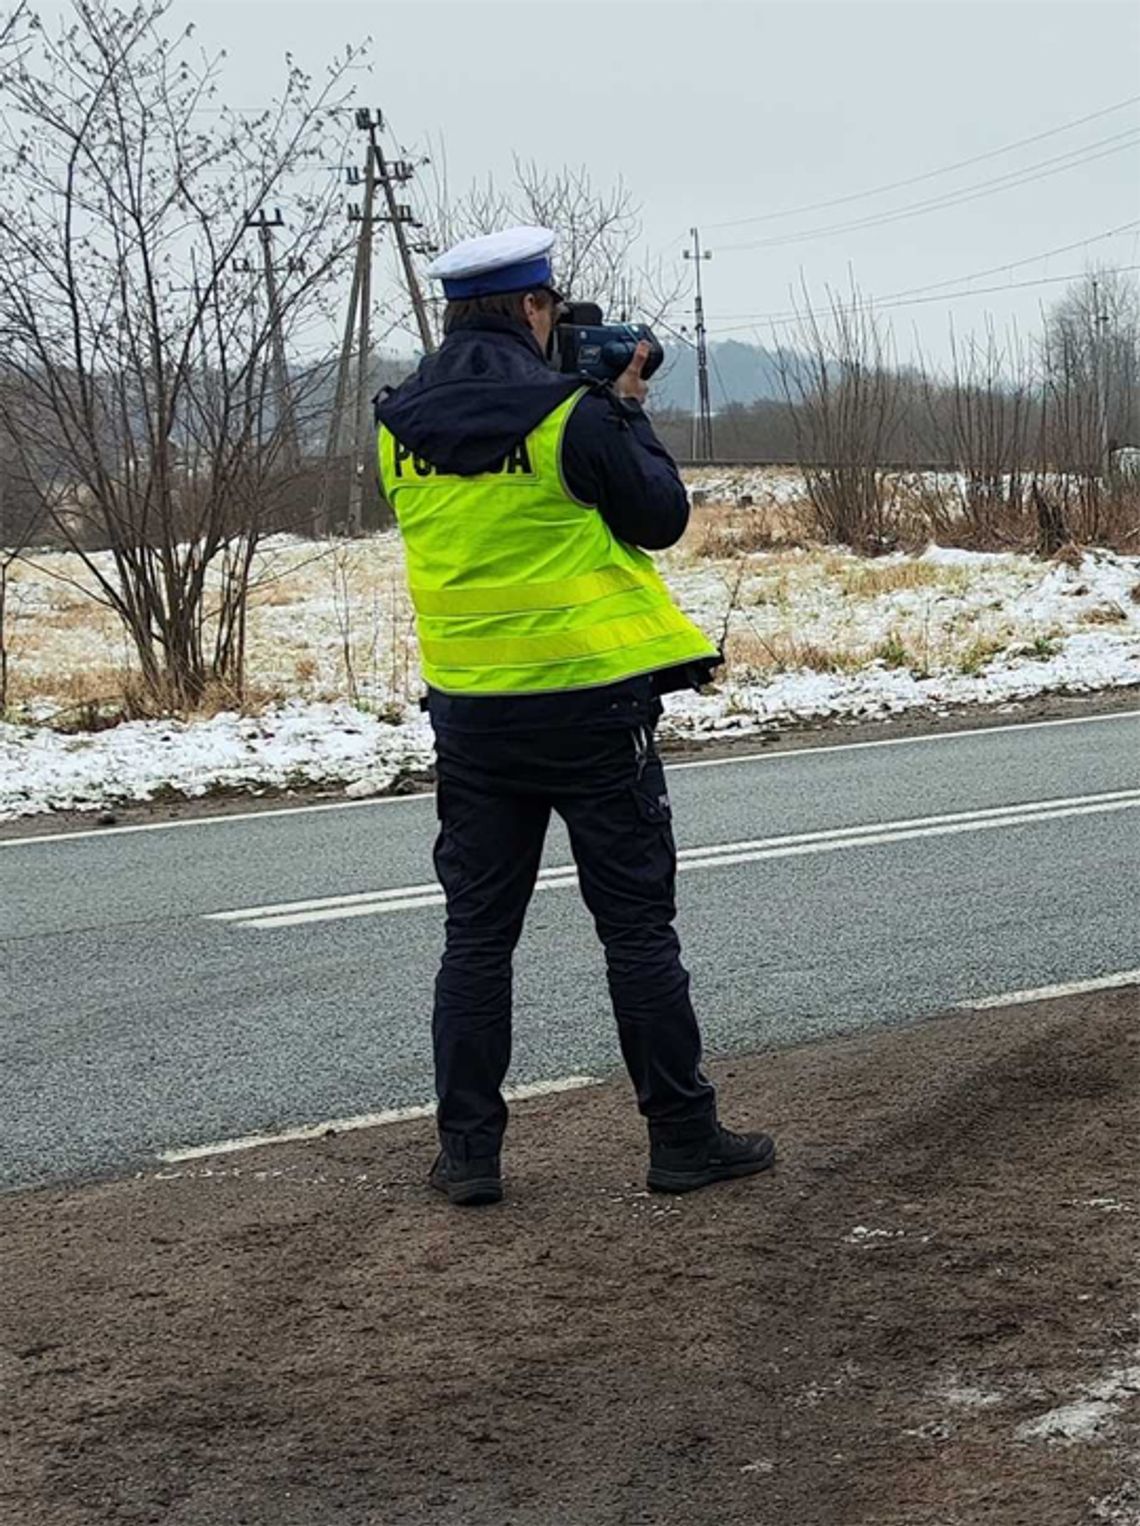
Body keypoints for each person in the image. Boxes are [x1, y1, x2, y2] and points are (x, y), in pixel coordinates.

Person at [375, 225, 775, 1206]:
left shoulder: (396, 429)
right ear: (531, 309)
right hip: (592, 711)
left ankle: (467, 1154)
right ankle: (682, 1136)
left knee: (476, 934)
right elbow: (660, 518)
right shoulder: (573, 416)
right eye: (549, 305)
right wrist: (627, 408)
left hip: (472, 717)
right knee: (636, 929)